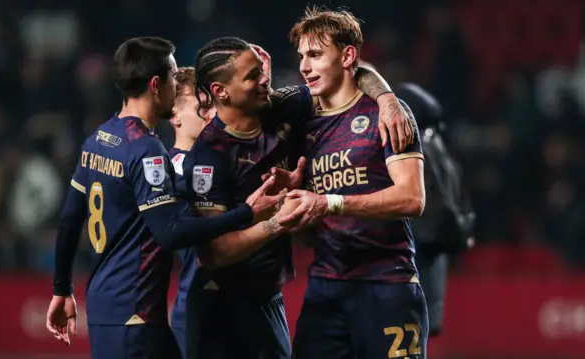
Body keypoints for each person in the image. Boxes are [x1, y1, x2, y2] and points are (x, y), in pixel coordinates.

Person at [44, 37, 285, 359]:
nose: (178, 83)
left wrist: (62, 289)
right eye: (174, 77)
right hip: (135, 314)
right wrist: (247, 213)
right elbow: (170, 231)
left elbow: (70, 218)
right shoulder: (146, 151)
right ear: (157, 84)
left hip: (106, 310)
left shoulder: (98, 140)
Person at [181, 36, 414, 359]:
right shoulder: (208, 157)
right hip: (221, 309)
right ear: (221, 91)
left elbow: (353, 72)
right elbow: (215, 254)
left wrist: (387, 101)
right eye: (252, 76)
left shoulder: (281, 108)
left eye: (261, 70)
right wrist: (276, 221)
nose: (265, 79)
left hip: (269, 298)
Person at [278, 8, 429, 359]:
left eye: (315, 55)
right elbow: (308, 228)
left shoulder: (387, 114)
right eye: (301, 56)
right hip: (325, 288)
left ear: (347, 56)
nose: (304, 67)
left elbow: (412, 197)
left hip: (386, 286)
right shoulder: (301, 124)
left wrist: (331, 202)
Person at [394, 82, 475, 337]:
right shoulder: (442, 150)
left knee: (402, 336)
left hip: (413, 256)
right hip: (433, 256)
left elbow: (425, 209)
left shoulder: (417, 150)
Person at [167, 66, 217, 354]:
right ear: (175, 117)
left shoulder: (223, 160)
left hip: (244, 305)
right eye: (201, 107)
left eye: (213, 105)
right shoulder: (168, 172)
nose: (210, 114)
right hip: (197, 305)